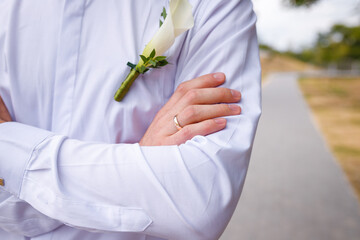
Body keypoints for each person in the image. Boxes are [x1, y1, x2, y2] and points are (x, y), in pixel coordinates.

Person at [0, 0, 261, 239]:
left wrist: (9, 150)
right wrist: (142, 161)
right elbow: (169, 197)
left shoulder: (212, 5)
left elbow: (200, 202)